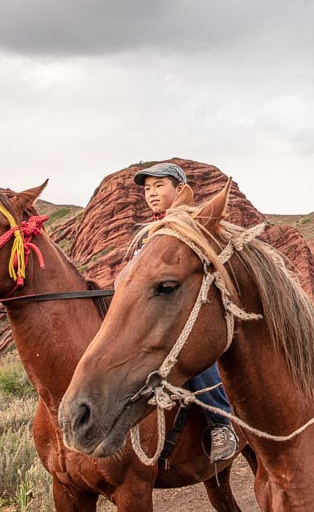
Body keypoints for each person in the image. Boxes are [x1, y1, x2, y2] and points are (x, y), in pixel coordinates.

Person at [133, 162, 238, 462]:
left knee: (195, 352)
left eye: (159, 186)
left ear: (180, 189)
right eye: (147, 189)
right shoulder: (147, 235)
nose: (151, 193)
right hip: (155, 314)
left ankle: (220, 423)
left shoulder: (193, 223)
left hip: (191, 309)